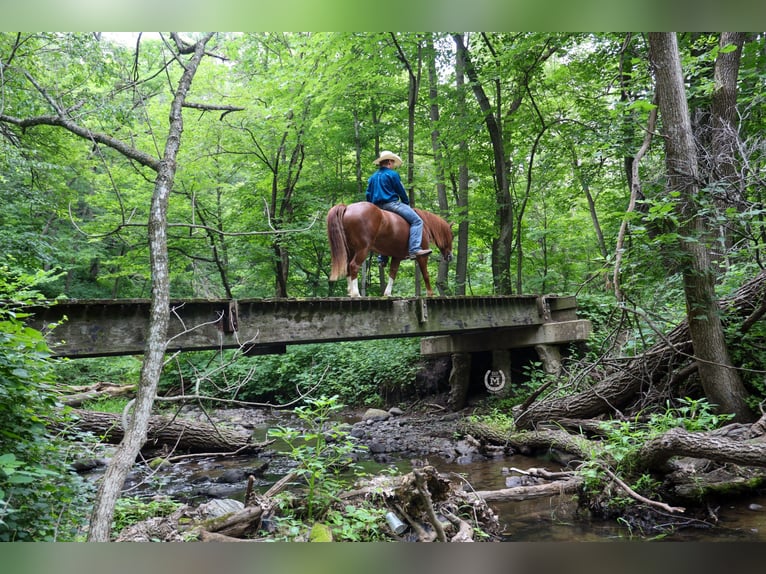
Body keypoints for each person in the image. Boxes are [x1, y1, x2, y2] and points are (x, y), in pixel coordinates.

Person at [365, 150, 432, 260]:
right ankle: (414, 249)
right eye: (393, 164)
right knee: (417, 221)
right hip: (391, 205)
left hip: (376, 208)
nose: (393, 166)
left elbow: (368, 194)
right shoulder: (392, 174)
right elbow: (400, 190)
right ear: (390, 162)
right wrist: (406, 203)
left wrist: (372, 207)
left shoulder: (372, 177)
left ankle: (382, 257)